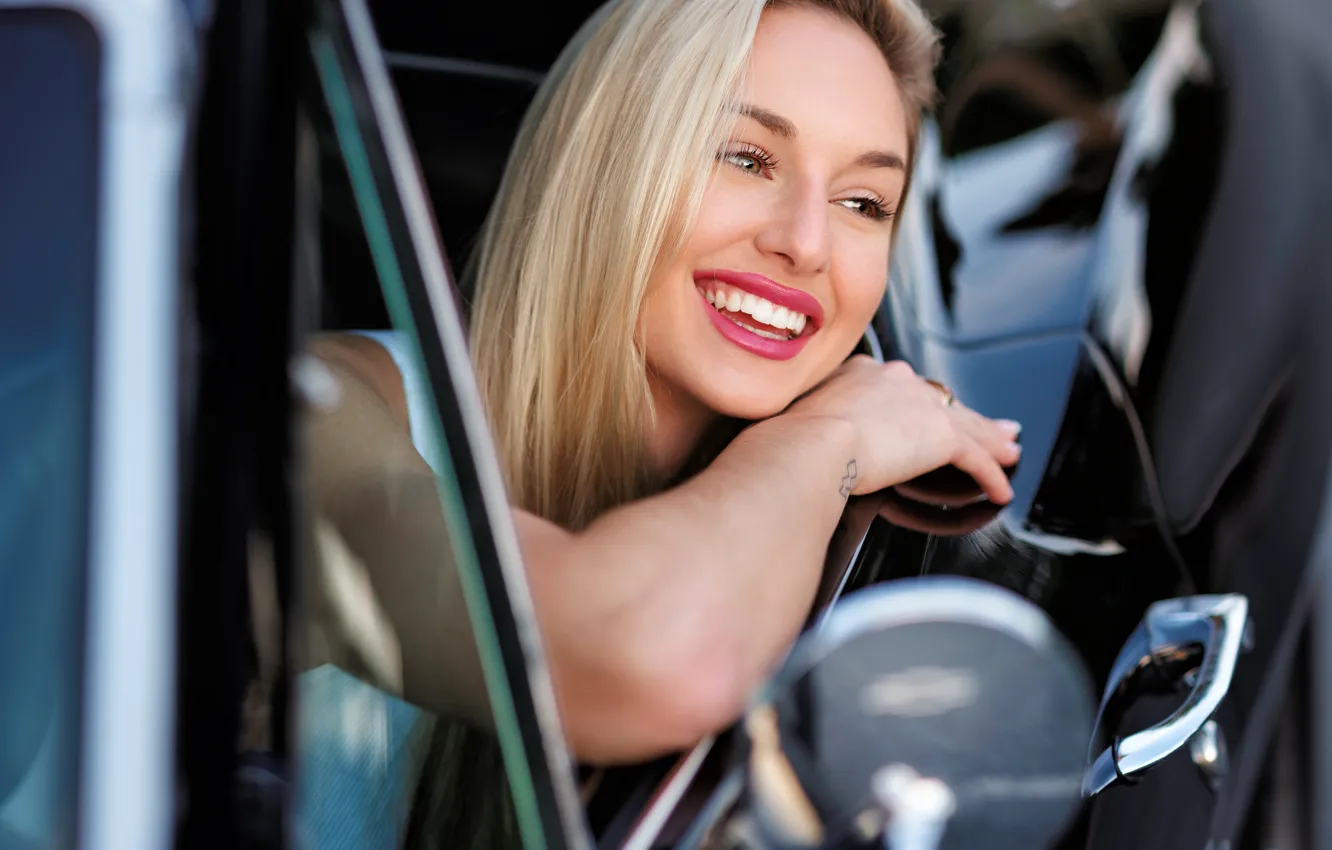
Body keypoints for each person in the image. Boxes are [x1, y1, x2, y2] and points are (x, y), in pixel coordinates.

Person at [300, 0, 1021, 845]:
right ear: (603, 156)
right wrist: (831, 436)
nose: (808, 244)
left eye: (864, 202)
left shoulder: (801, 517)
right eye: (747, 158)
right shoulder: (322, 413)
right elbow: (644, 659)